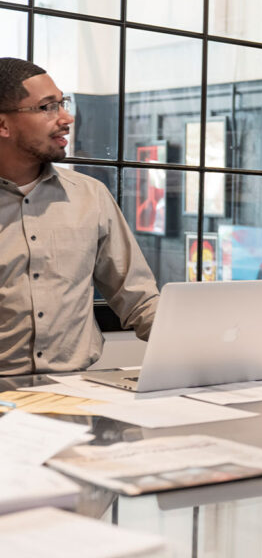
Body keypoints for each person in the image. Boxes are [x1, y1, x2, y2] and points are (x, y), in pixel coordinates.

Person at [0, 58, 160, 375]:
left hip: (77, 391)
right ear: (3, 125)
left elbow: (140, 300)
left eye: (63, 103)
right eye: (48, 107)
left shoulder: (90, 195)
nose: (67, 118)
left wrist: (205, 350)